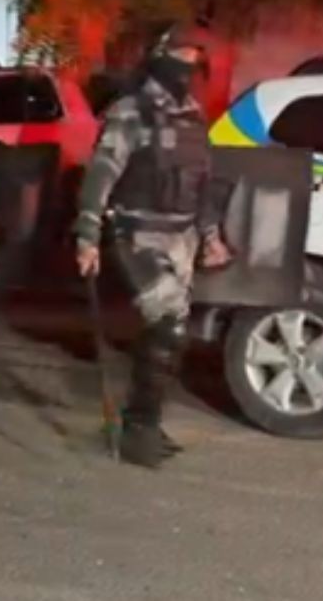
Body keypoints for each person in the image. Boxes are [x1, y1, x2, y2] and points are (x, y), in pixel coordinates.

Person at [74, 24, 232, 468]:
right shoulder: (131, 111)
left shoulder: (193, 115)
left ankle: (143, 420)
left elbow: (201, 181)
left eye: (194, 57)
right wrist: (87, 234)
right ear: (160, 56)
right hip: (138, 233)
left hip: (181, 236)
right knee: (166, 328)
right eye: (180, 54)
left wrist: (211, 237)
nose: (187, 64)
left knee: (169, 337)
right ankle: (138, 432)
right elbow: (101, 173)